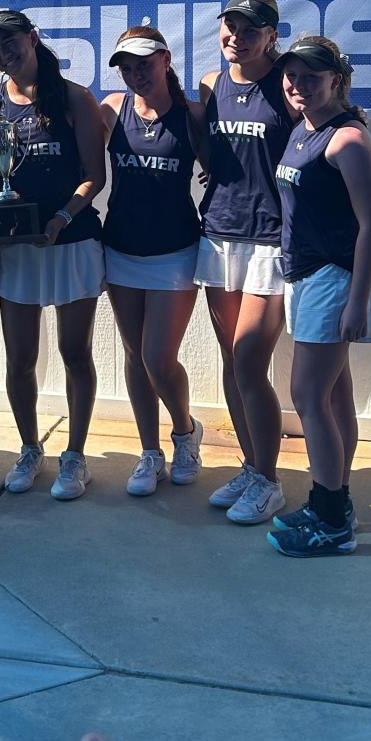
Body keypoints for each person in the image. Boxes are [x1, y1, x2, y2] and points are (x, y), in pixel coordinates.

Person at [0, 10, 106, 500]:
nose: (5, 53)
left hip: (70, 241)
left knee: (75, 353)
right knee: (19, 359)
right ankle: (30, 448)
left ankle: (74, 455)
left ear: (32, 39)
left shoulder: (75, 97)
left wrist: (61, 218)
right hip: (20, 250)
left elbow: (94, 175)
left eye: (11, 42)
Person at [266, 36, 371, 557]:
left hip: (332, 281)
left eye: (312, 77)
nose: (299, 86)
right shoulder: (302, 129)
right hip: (306, 277)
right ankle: (336, 503)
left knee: (308, 398)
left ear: (336, 79)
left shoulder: (347, 141)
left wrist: (357, 302)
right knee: (332, 398)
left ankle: (331, 519)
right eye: (292, 75)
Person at [195, 0, 295, 524]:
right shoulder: (212, 84)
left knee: (251, 361)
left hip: (271, 239)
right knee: (232, 363)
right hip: (219, 234)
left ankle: (271, 481)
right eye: (230, 27)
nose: (237, 36)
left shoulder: (288, 83)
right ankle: (253, 465)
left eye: (250, 29)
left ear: (272, 35)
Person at [101, 26, 206, 496]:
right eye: (126, 66)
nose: (135, 73)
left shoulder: (192, 116)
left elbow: (235, 173)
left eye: (144, 62)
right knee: (134, 356)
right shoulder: (111, 108)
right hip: (120, 248)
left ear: (165, 60)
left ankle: (185, 433)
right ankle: (149, 452)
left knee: (158, 358)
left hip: (175, 253)